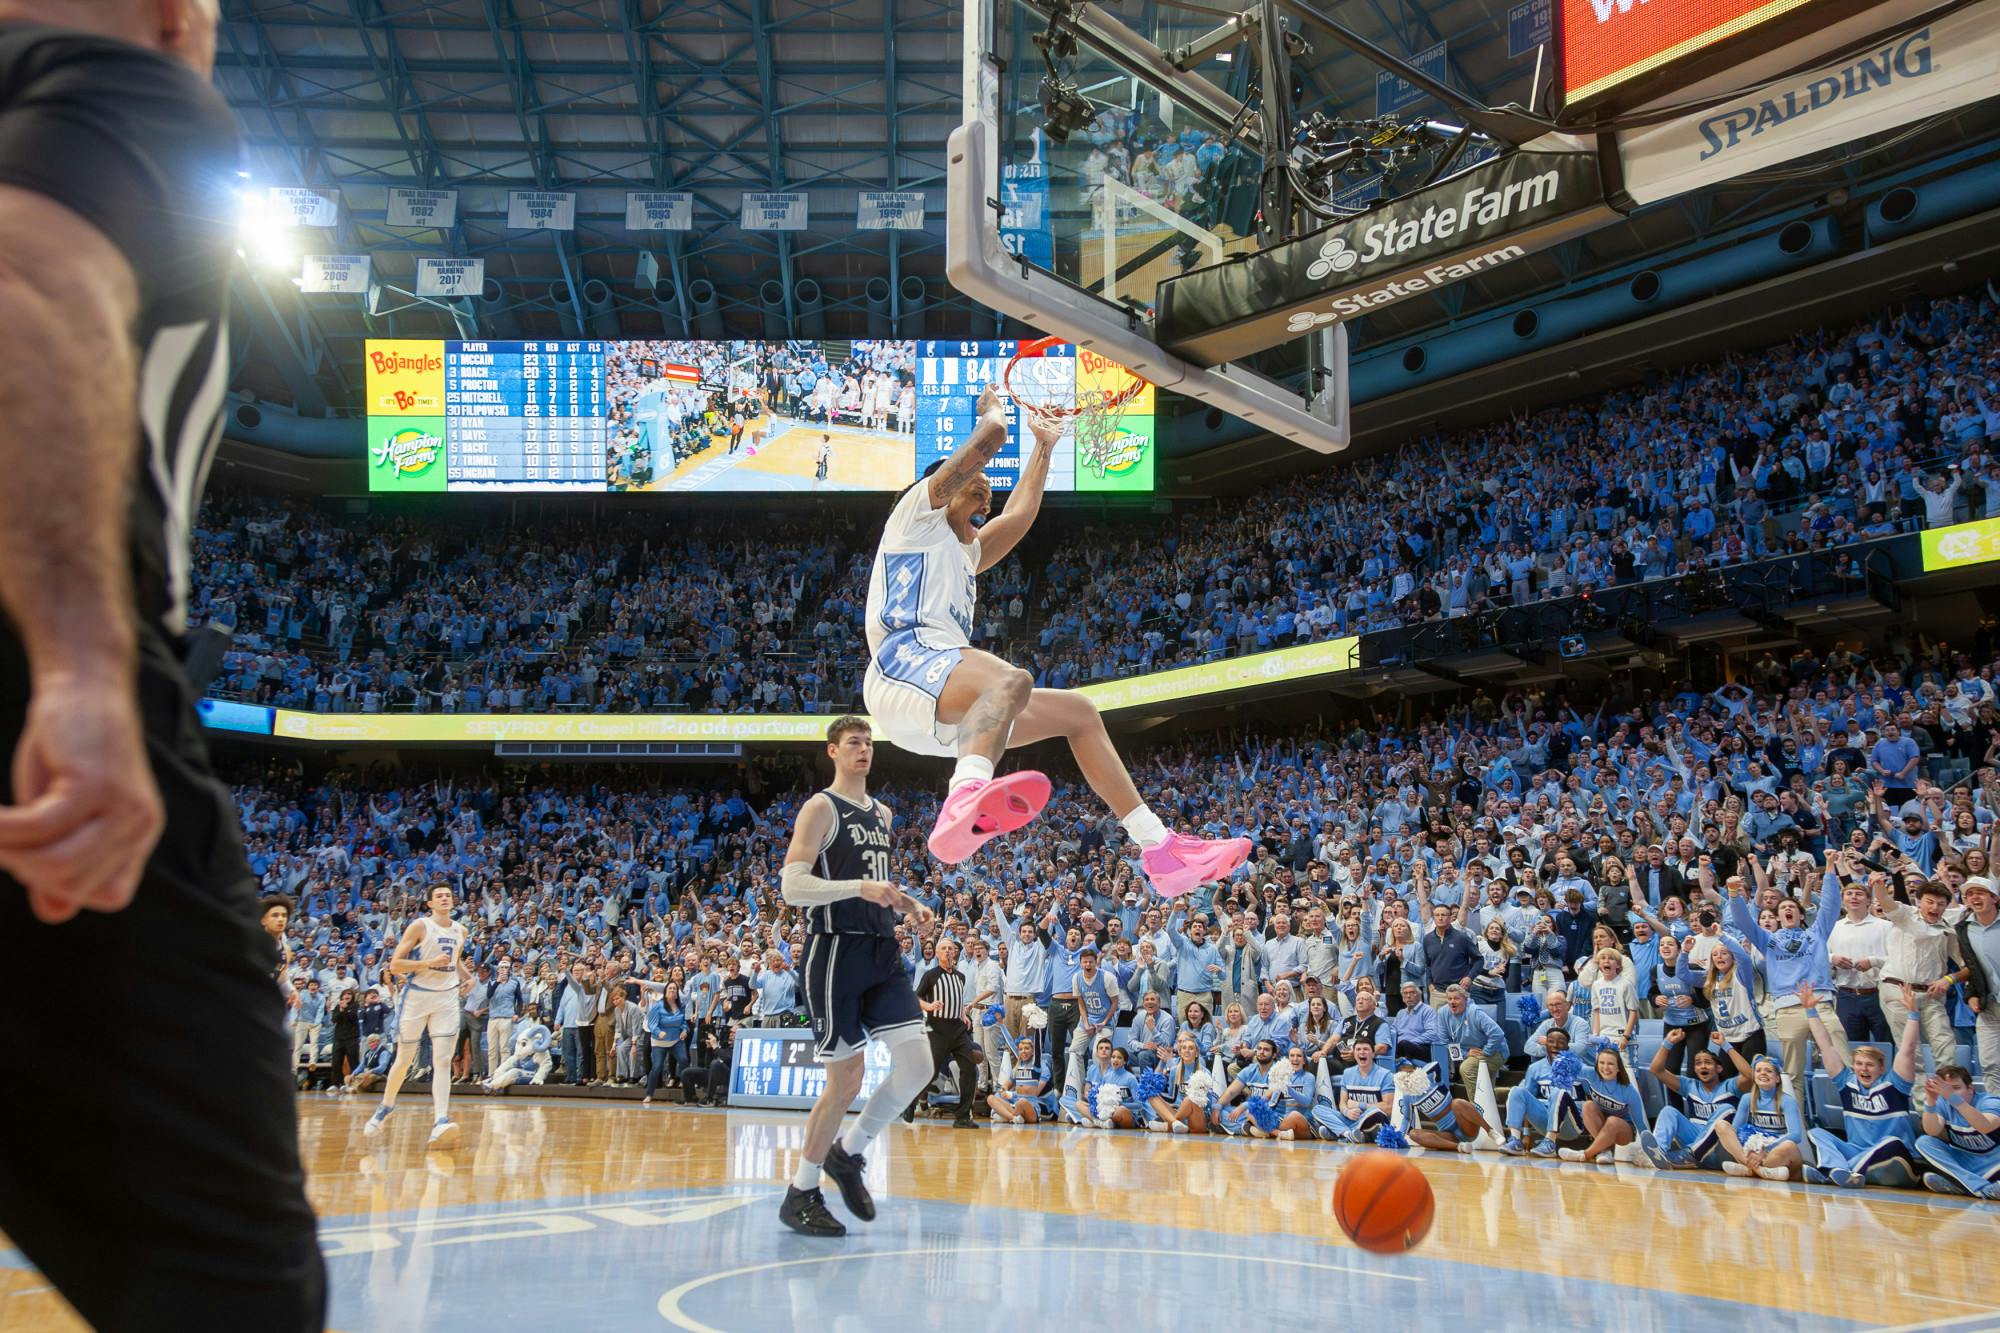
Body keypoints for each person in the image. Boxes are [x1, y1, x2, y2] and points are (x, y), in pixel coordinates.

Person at [0, 2, 326, 1326]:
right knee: (227, 1292)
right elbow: (26, 272)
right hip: (50, 751)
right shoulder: (113, 84)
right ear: (180, 21)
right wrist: (76, 660)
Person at [861, 382, 1248, 895]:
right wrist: (992, 408)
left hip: (939, 709)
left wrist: (1044, 445)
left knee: (1080, 714)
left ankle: (1160, 850)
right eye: (974, 478)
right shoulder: (917, 516)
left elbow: (1019, 517)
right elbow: (992, 435)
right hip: (902, 661)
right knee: (1008, 679)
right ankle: (964, 796)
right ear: (942, 485)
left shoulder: (967, 552)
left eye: (986, 483)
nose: (984, 484)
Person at [778, 716, 937, 1239]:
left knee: (918, 1067)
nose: (864, 749)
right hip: (835, 953)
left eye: (869, 742)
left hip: (882, 950)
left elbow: (876, 884)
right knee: (844, 1082)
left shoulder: (883, 813)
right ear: (833, 752)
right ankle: (800, 1193)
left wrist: (906, 901)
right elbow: (793, 887)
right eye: (854, 743)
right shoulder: (820, 807)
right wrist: (857, 889)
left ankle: (847, 1154)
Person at [364, 882, 472, 1147]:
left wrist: (467, 978)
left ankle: (441, 1121)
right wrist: (427, 963)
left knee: (443, 1059)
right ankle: (386, 1106)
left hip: (446, 998)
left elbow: (454, 960)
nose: (445, 898)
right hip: (417, 996)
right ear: (430, 903)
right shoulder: (420, 926)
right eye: (439, 896)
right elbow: (395, 964)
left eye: (448, 895)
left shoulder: (461, 930)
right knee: (404, 1060)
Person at [1798, 982, 1923, 1188]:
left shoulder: (1895, 1085)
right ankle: (1844, 1170)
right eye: (1859, 1064)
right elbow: (1826, 1046)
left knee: (1892, 1143)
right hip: (1857, 1150)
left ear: (1881, 1068)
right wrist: (1810, 1011)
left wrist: (1913, 1014)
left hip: (1892, 1153)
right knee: (1816, 1133)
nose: (1863, 1069)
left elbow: (1908, 1048)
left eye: (1870, 1065)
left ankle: (1837, 1170)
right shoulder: (1846, 1083)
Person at [1638, 1031, 1755, 1170]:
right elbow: (1656, 1070)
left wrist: (1725, 1045)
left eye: (1707, 1063)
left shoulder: (1730, 1086)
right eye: (1698, 1063)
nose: (1703, 1066)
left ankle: (1691, 1154)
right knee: (1668, 1111)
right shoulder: (1689, 1085)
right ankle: (1658, 1155)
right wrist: (1668, 1043)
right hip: (1690, 1146)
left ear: (1719, 1068)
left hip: (1720, 1150)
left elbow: (1749, 1076)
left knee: (1727, 1109)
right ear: (1694, 1069)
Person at [908, 937, 981, 1129]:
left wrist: (963, 1015)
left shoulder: (960, 977)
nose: (948, 951)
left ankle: (963, 1116)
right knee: (929, 1073)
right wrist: (930, 1006)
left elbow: (956, 1001)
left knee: (969, 1068)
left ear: (955, 952)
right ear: (938, 953)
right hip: (937, 1028)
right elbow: (916, 998)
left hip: (957, 1029)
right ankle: (911, 1101)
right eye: (944, 948)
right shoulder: (930, 975)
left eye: (951, 948)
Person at [1712, 1053, 1805, 1181]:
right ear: (1754, 1076)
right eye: (1759, 1070)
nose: (1763, 1073)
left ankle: (1749, 1170)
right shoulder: (1747, 1099)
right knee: (1721, 1125)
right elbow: (1735, 1130)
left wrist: (1765, 1150)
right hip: (1753, 1150)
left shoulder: (1787, 1101)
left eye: (1769, 1071)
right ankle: (1757, 1169)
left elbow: (1796, 1135)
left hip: (1775, 1151)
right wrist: (1750, 1150)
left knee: (1790, 1145)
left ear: (1777, 1078)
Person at [1914, 1063, 2000, 1198]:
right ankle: (1981, 1187)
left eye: (1956, 1088)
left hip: (1994, 1163)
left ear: (1970, 1089)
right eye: (1947, 1089)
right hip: (1964, 1164)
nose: (1950, 1093)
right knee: (1924, 1142)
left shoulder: (1990, 1101)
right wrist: (1930, 1100)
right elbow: (1932, 1131)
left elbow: (1985, 1126)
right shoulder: (1943, 1103)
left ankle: (1959, 1186)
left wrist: (1952, 1097)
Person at [1557, 1045, 1646, 1164]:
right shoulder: (1591, 1074)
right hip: (1600, 1124)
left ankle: (1585, 1155)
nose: (1605, 1067)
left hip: (1623, 1132)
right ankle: (1605, 1151)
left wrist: (1650, 1148)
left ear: (1618, 1068)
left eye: (1610, 1064)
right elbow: (1572, 1067)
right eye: (1602, 1063)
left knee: (1612, 1121)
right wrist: (1560, 1063)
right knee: (1587, 1106)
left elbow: (1640, 1123)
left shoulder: (1629, 1091)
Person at [1310, 1040, 1395, 1143]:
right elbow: (1342, 1103)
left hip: (1371, 1119)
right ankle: (1348, 1133)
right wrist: (1347, 1112)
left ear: (1373, 1054)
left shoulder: (1385, 1075)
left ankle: (1336, 1132)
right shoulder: (1347, 1073)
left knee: (1375, 1112)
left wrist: (1360, 1105)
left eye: (1366, 1049)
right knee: (1317, 1109)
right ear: (1354, 1054)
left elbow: (1388, 1108)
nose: (1362, 1052)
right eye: (1358, 1049)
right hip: (1350, 1118)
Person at [987, 1036, 1050, 1125]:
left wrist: (1037, 1029)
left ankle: (1004, 1116)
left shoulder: (1036, 1067)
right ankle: (1014, 1118)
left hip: (1030, 1107)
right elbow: (1010, 1042)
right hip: (1016, 1105)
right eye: (1021, 1049)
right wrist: (1001, 1024)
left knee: (1022, 1102)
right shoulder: (1018, 1067)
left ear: (1033, 1051)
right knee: (991, 1098)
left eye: (1027, 1048)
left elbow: (1038, 1047)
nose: (1023, 1051)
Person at [483, 1010, 554, 1090]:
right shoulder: (519, 1053)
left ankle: (492, 1086)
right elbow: (508, 1063)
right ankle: (493, 1081)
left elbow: (547, 1065)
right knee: (503, 1070)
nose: (520, 1047)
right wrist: (497, 1073)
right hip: (522, 1072)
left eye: (523, 1044)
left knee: (514, 1073)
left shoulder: (541, 1052)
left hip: (532, 1075)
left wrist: (538, 1078)